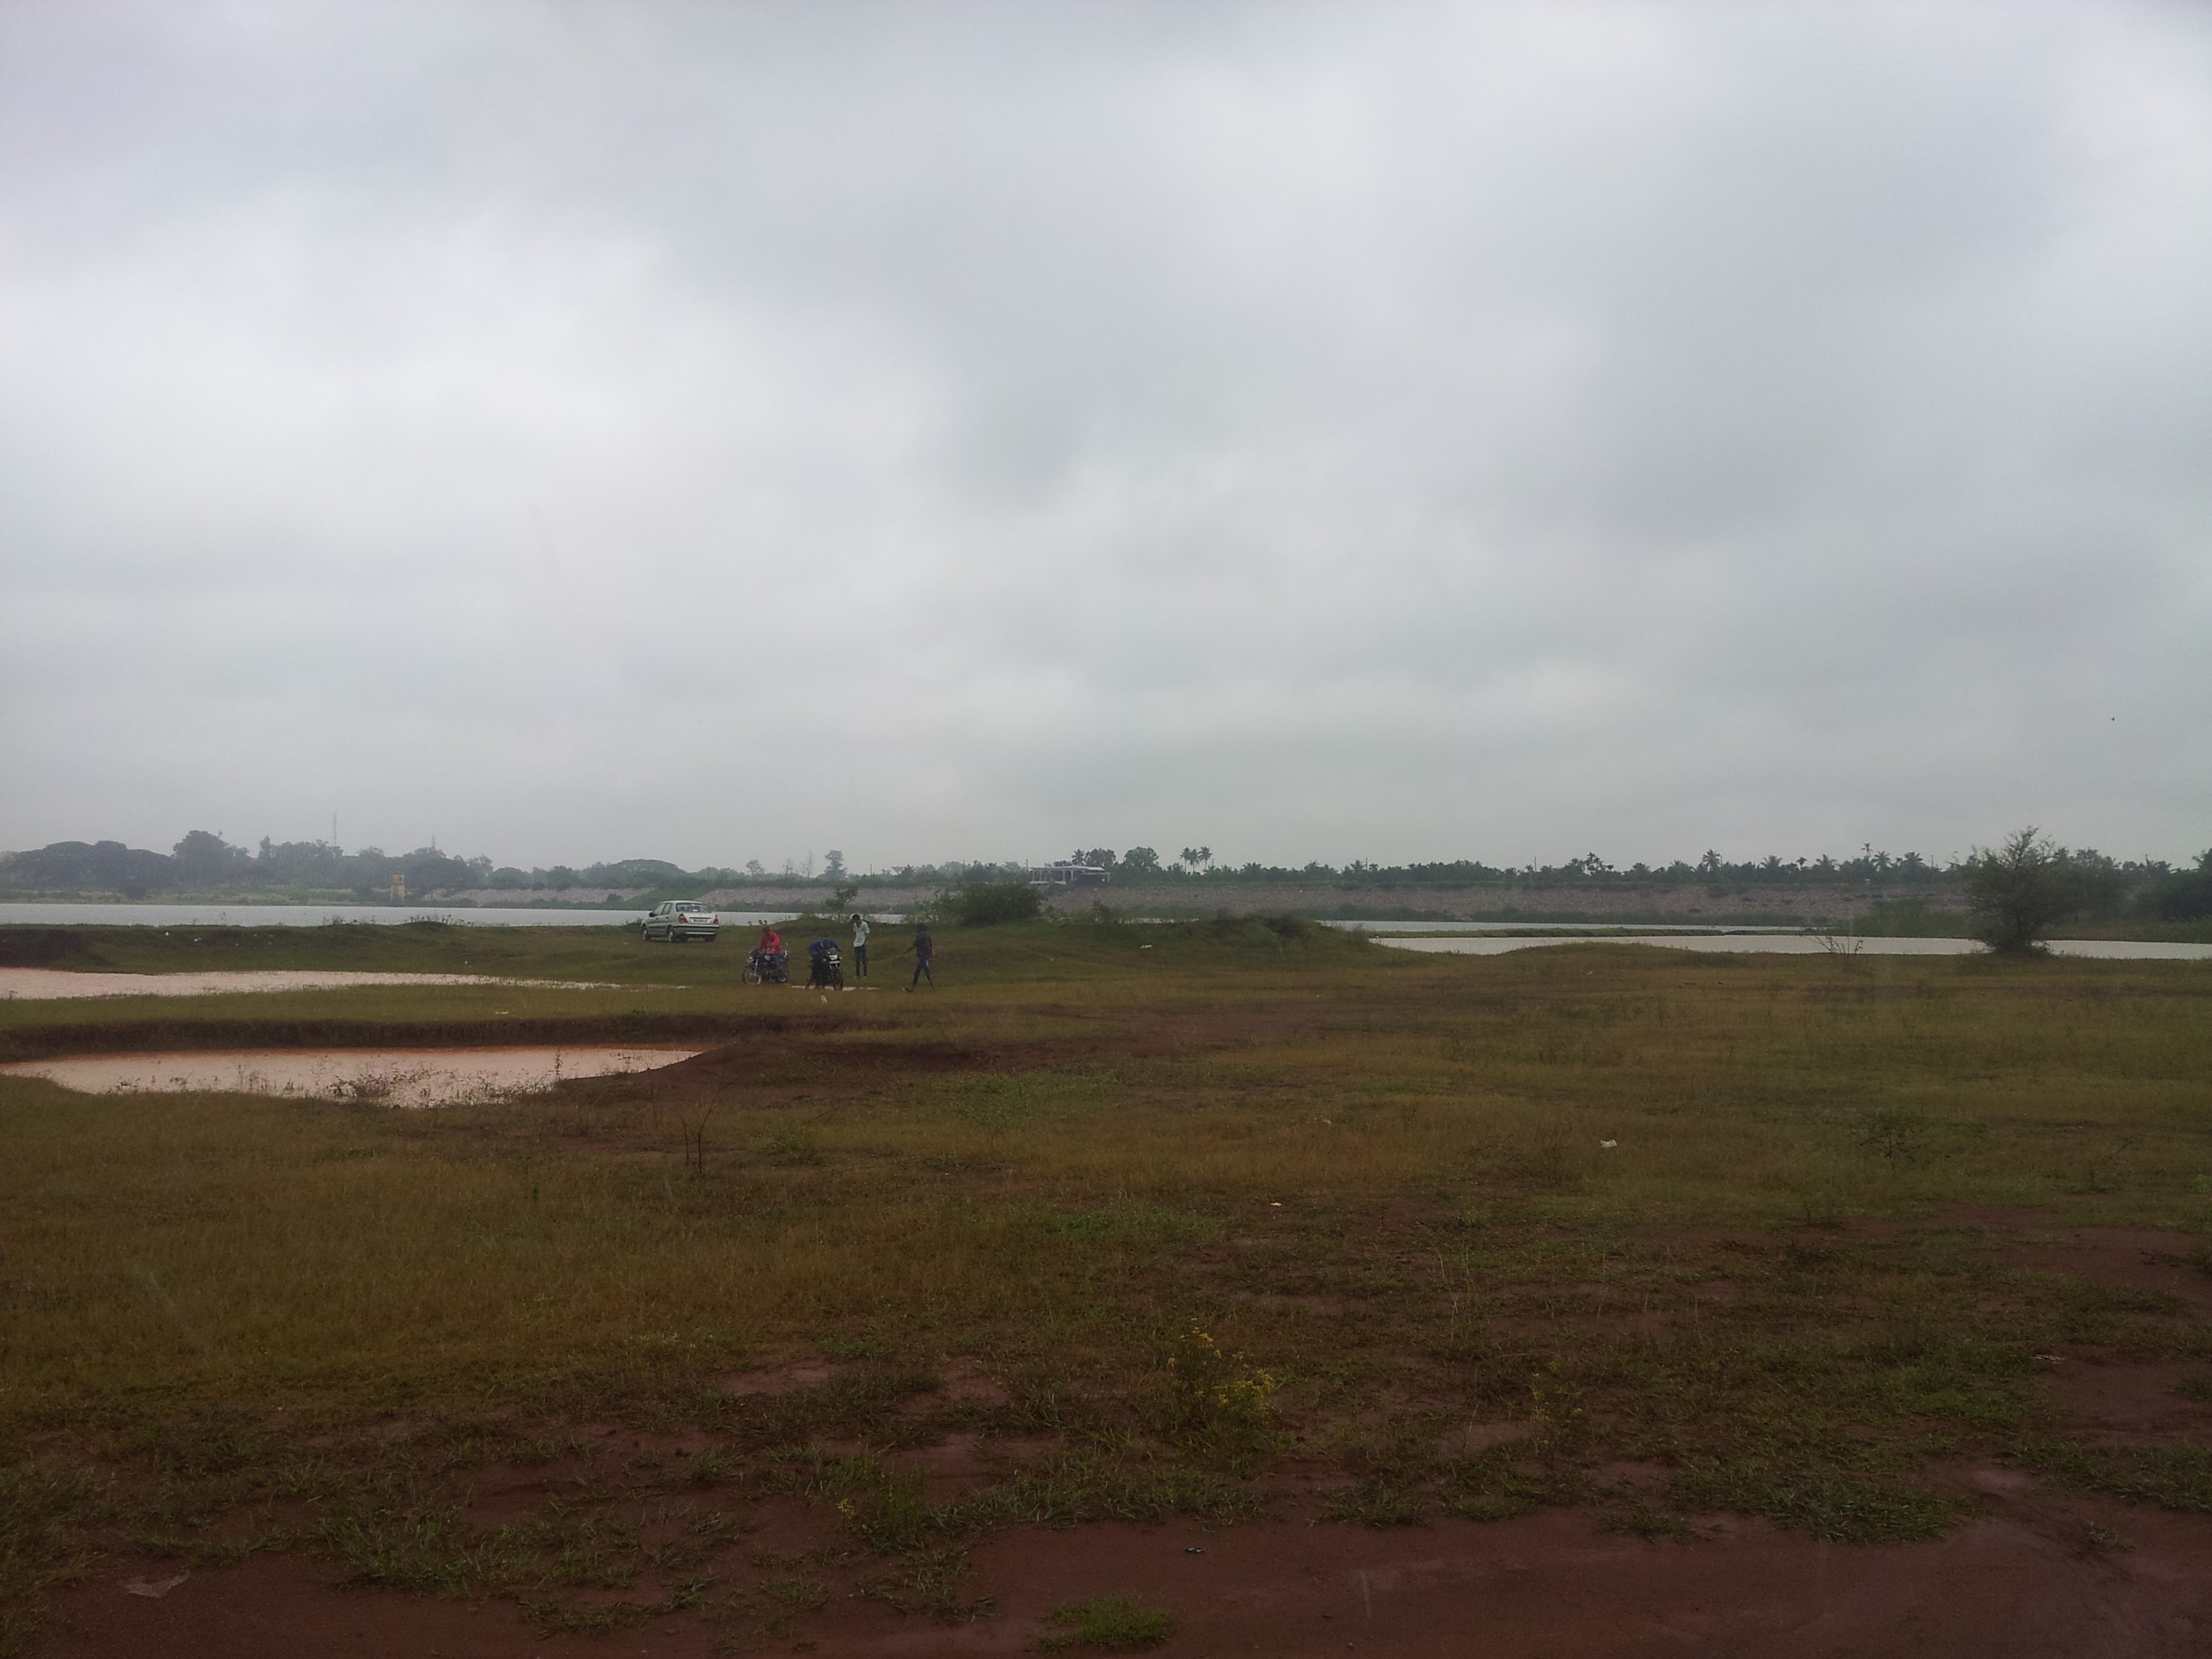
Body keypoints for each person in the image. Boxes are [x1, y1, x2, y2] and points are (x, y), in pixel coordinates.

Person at [905, 922, 934, 991]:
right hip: (925, 955)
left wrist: (906, 951)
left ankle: (933, 987)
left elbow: (914, 945)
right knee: (918, 971)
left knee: (925, 971)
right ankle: (912, 988)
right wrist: (930, 953)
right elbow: (930, 945)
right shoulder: (927, 936)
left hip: (922, 955)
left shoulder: (920, 936)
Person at [851, 913, 871, 979]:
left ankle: (865, 974)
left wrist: (865, 941)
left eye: (856, 921)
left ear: (858, 920)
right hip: (856, 944)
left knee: (864, 960)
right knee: (857, 960)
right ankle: (857, 974)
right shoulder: (855, 925)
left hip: (863, 944)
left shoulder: (864, 924)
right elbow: (855, 933)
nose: (856, 923)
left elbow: (867, 933)